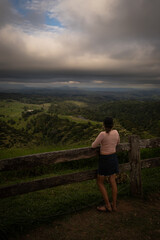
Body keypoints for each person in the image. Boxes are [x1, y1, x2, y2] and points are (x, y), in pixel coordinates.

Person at [92, 117, 120, 212]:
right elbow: (118, 142)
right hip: (113, 158)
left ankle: (108, 205)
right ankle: (114, 205)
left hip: (104, 159)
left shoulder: (102, 134)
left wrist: (103, 145)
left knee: (100, 182)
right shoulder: (116, 132)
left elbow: (93, 146)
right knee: (112, 181)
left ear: (104, 125)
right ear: (113, 125)